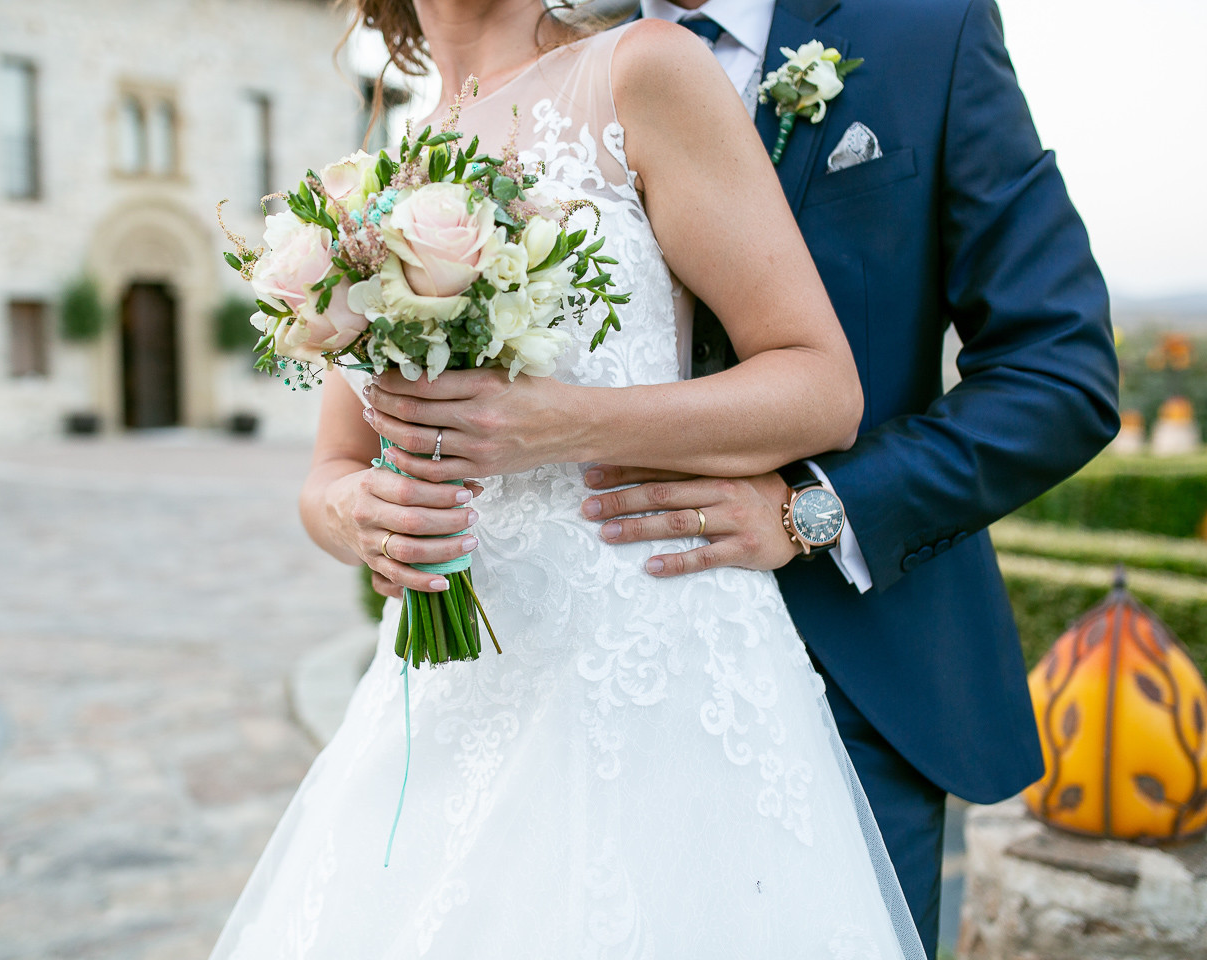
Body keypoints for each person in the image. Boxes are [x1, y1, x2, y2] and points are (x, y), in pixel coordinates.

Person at [366, 0, 1121, 953]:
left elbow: (1060, 373)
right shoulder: (555, 64)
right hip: (569, 683)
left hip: (853, 671)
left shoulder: (931, 31)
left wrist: (816, 507)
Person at [210, 1, 930, 957]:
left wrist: (568, 425)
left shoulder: (643, 71)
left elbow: (820, 388)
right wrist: (362, 516)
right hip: (447, 691)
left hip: (648, 676)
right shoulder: (374, 175)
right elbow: (330, 474)